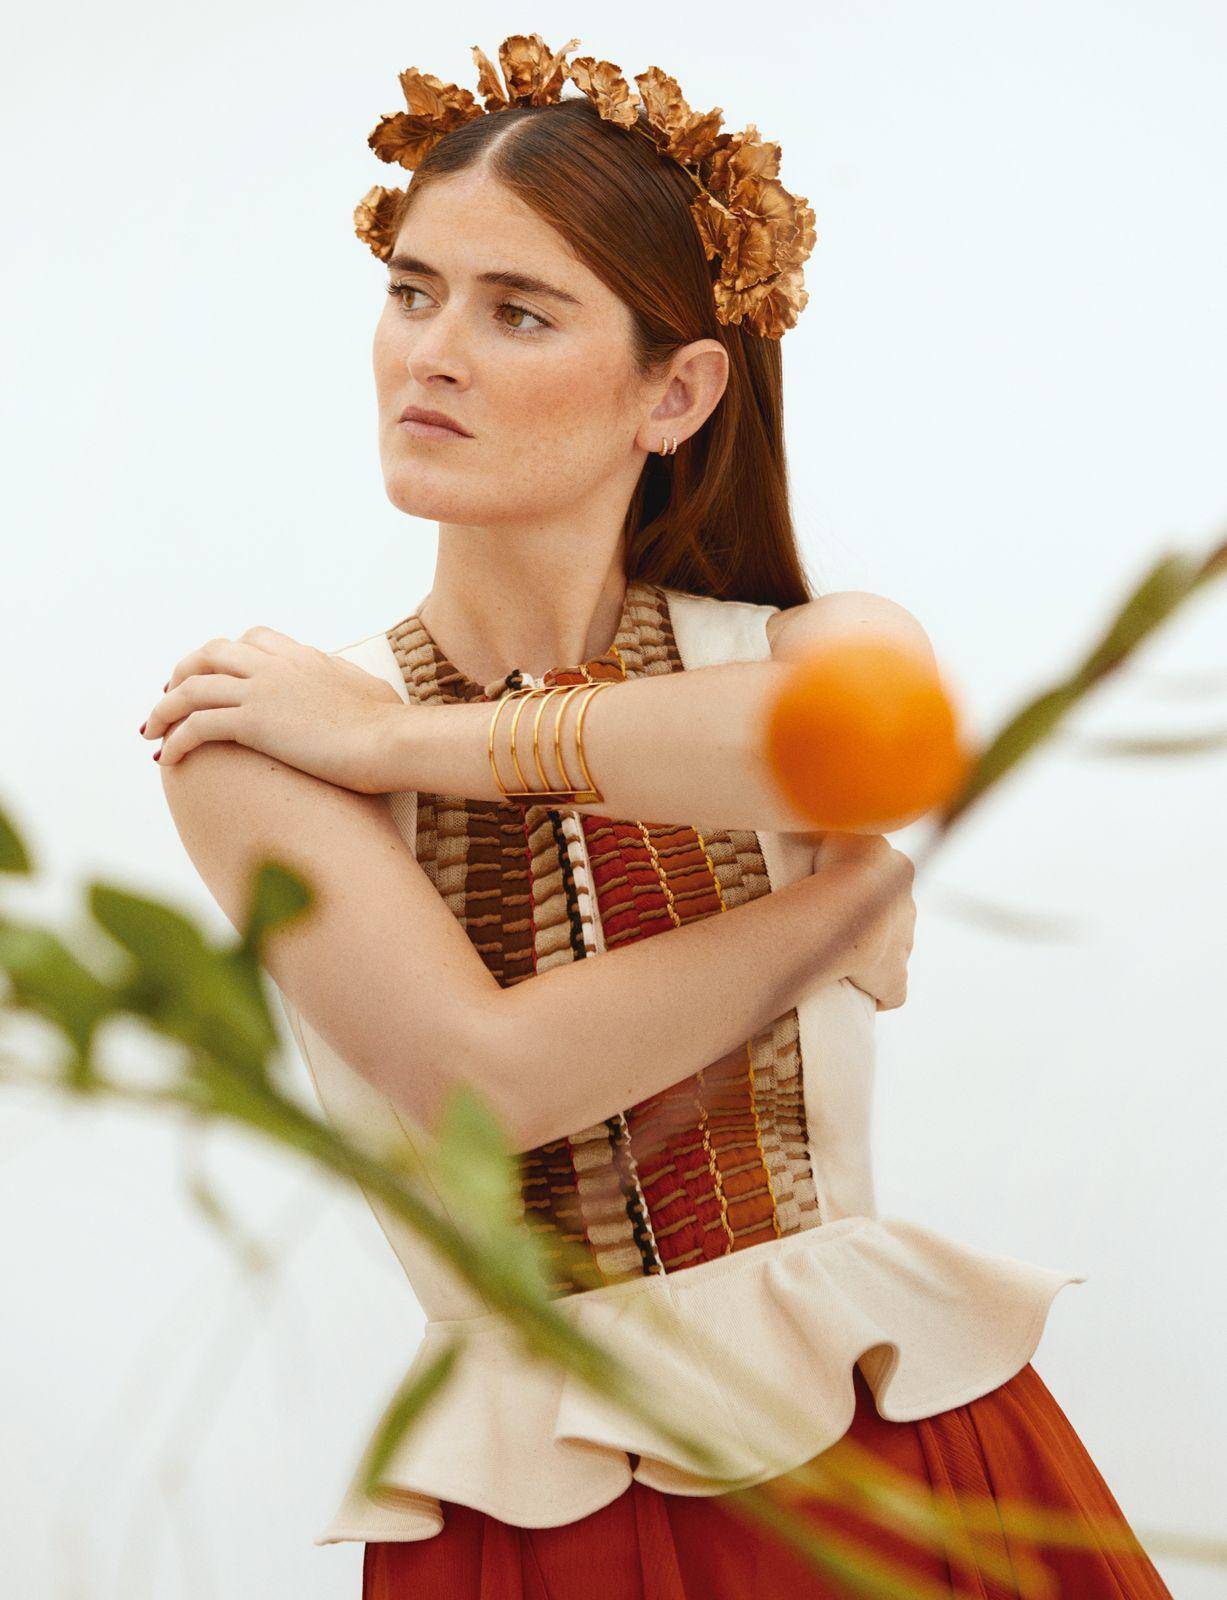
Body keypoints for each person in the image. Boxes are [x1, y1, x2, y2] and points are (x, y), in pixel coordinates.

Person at [144, 34, 1174, 1599]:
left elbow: (876, 755)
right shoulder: (255, 736)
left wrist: (407, 742)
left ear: (677, 390)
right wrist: (835, 911)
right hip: (545, 1513)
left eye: (518, 311)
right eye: (413, 292)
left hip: (895, 1440)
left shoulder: (811, 648)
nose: (430, 355)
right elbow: (484, 1085)